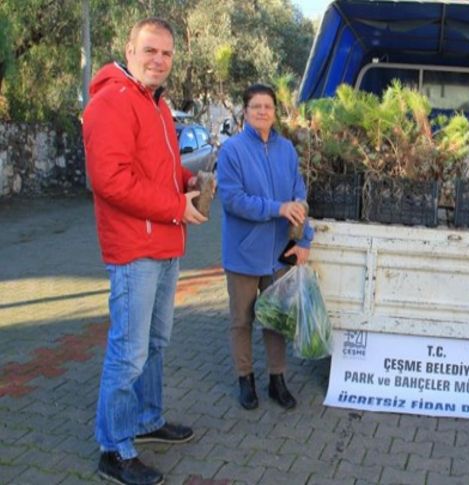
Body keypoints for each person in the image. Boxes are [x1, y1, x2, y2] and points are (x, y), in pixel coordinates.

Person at [83, 17, 205, 485]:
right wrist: (176, 204)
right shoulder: (110, 102)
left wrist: (189, 183)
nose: (159, 60)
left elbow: (163, 171)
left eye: (167, 54)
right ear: (129, 50)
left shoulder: (157, 104)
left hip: (165, 241)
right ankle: (112, 449)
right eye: (150, 50)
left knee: (155, 344)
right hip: (135, 248)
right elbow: (109, 181)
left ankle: (147, 419)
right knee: (128, 352)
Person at [216, 84, 313, 411]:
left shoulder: (287, 150)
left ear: (275, 112)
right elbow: (232, 200)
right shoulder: (231, 151)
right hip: (243, 254)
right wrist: (277, 208)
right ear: (245, 111)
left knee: (275, 318)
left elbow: (299, 198)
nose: (262, 112)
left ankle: (277, 380)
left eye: (267, 106)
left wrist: (304, 239)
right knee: (241, 320)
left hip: (277, 254)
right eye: (255, 106)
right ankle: (245, 379)